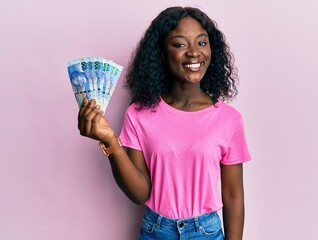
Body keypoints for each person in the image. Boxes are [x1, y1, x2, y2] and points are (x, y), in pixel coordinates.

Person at [77, 6, 251, 240]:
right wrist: (110, 141)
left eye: (201, 43)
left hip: (206, 233)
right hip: (155, 231)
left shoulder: (228, 119)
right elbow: (140, 193)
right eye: (180, 44)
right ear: (161, 53)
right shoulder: (139, 114)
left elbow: (233, 195)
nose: (193, 53)